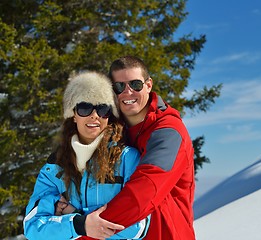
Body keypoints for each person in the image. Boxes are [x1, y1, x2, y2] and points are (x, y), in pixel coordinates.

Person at [23, 71, 150, 240]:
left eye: (102, 109)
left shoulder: (128, 158)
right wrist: (80, 224)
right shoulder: (54, 167)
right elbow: (33, 228)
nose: (94, 115)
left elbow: (138, 227)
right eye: (84, 108)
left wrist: (75, 216)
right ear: (73, 115)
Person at [80, 56, 196, 240]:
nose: (128, 92)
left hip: (165, 234)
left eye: (135, 84)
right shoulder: (110, 128)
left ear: (149, 85)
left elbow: (144, 192)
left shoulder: (169, 132)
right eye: (119, 87)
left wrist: (85, 232)